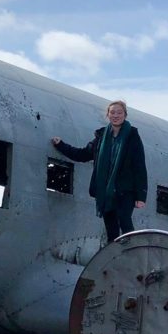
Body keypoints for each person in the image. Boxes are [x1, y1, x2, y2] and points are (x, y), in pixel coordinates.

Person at [52, 100, 147, 242]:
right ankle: (114, 259)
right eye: (112, 112)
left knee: (125, 222)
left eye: (119, 112)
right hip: (105, 192)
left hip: (125, 190)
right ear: (108, 115)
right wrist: (61, 145)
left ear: (125, 115)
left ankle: (133, 254)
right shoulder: (101, 137)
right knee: (111, 231)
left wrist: (141, 196)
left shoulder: (132, 136)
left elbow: (139, 166)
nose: (116, 115)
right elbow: (82, 154)